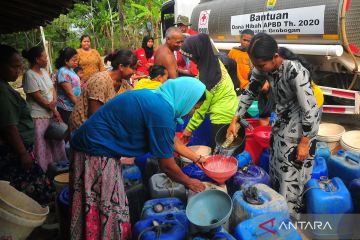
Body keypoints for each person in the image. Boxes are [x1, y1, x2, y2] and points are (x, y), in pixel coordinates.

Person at [70, 77, 207, 240]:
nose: (191, 112)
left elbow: (171, 140)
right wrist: (189, 182)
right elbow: (167, 166)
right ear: (186, 98)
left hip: (89, 146)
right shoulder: (161, 111)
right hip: (95, 153)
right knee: (108, 208)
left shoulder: (158, 99)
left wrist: (197, 158)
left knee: (95, 204)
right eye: (194, 106)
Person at [227, 33, 321, 219]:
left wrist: (305, 143)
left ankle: (289, 217)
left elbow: (310, 110)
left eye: (261, 66)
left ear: (275, 57)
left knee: (291, 174)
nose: (259, 70)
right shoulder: (265, 68)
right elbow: (250, 91)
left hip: (301, 128)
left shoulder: (295, 71)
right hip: (280, 123)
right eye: (256, 65)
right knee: (276, 166)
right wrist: (235, 118)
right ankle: (276, 207)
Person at [0, 45, 55, 205]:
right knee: (32, 191)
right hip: (15, 151)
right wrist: (23, 153)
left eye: (20, 66)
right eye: (14, 66)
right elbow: (9, 127)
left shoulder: (5, 87)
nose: (19, 70)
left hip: (18, 148)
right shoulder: (2, 92)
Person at [180, 33, 238, 149]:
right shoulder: (212, 63)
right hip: (230, 109)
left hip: (222, 116)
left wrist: (189, 128)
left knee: (219, 153)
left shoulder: (209, 76)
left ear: (198, 52)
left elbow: (202, 106)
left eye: (191, 56)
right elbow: (199, 80)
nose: (191, 59)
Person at [22, 46, 67, 171]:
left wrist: (54, 102)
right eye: (45, 57)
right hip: (39, 116)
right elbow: (38, 98)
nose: (47, 59)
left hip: (51, 113)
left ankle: (59, 169)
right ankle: (44, 171)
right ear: (37, 59)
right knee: (42, 146)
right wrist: (54, 109)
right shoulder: (29, 75)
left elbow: (52, 89)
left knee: (56, 143)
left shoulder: (44, 72)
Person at [70, 49, 137, 131]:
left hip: (102, 126)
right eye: (133, 68)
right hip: (83, 128)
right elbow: (95, 117)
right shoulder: (100, 80)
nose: (134, 72)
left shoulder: (125, 85)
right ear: (121, 67)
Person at [55, 47, 81, 125]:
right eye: (74, 60)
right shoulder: (63, 72)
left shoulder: (70, 69)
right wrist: (80, 106)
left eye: (77, 59)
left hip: (72, 106)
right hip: (66, 108)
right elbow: (69, 93)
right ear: (66, 61)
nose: (77, 62)